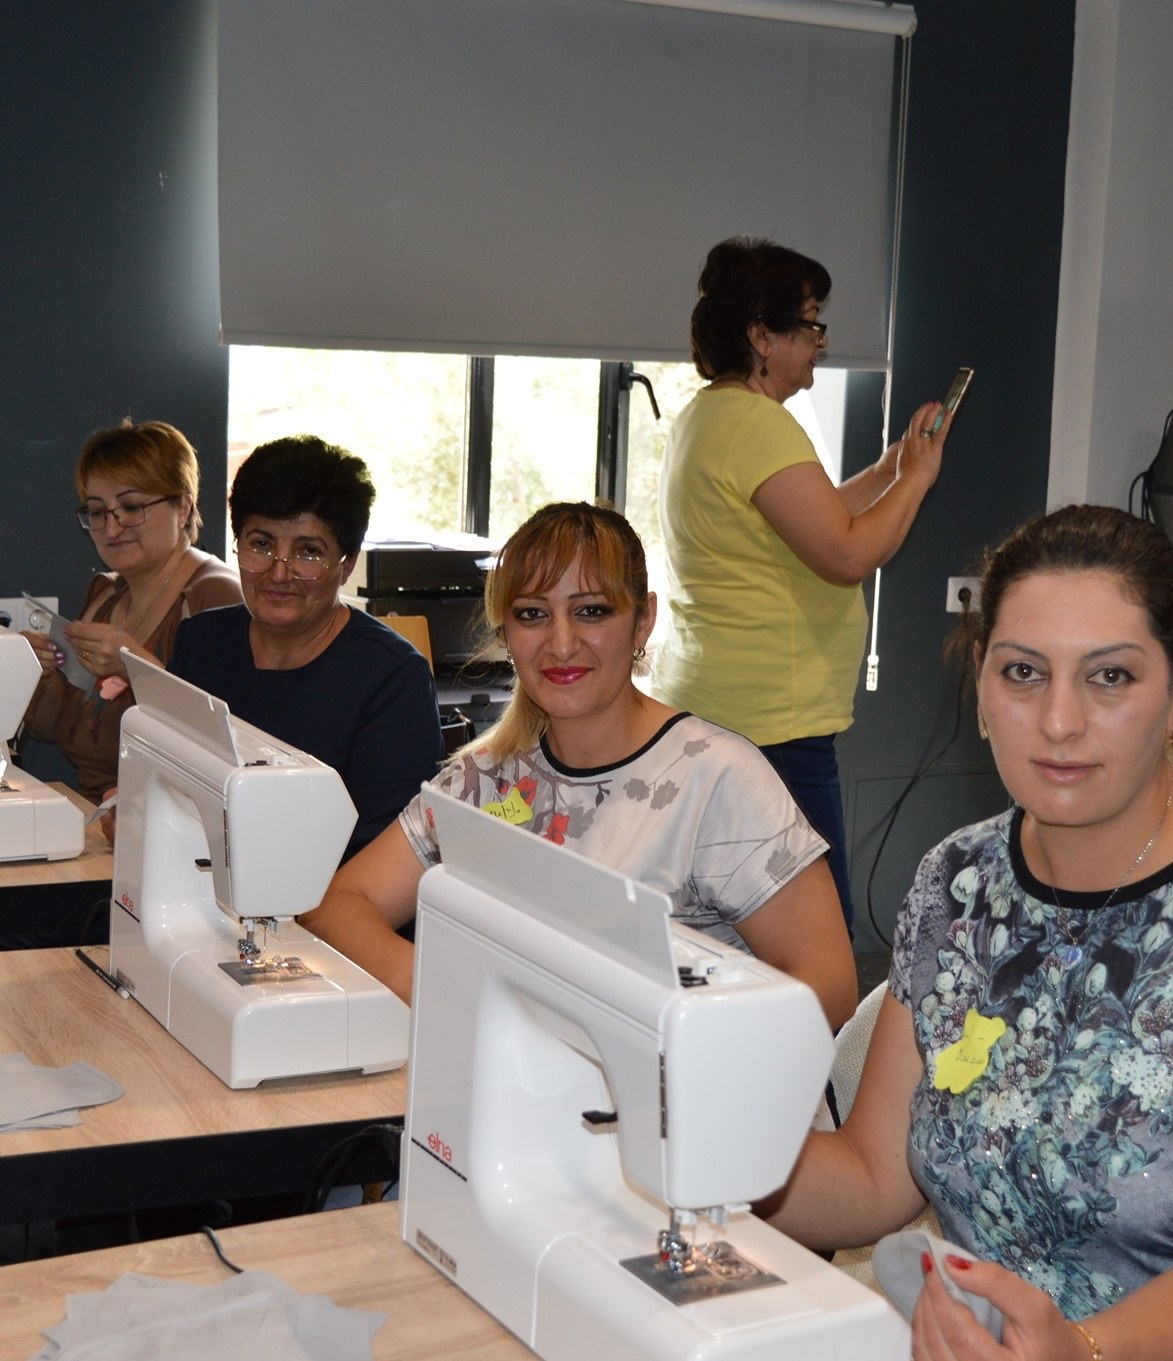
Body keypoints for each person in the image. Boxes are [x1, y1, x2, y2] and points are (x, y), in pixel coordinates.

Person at [766, 505, 1173, 1359]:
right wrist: (693, 1137)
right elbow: (869, 1179)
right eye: (1022, 672)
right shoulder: (956, 882)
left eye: (1109, 677)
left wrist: (1077, 1351)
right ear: (980, 679)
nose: (1058, 721)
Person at [300, 500, 857, 1031]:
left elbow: (829, 990)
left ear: (643, 622)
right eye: (532, 615)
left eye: (592, 611)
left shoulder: (716, 778)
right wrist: (446, 987)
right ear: (507, 633)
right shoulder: (488, 777)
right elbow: (338, 905)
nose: (561, 643)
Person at [650, 236, 956, 938]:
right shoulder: (758, 425)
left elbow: (815, 516)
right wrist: (918, 479)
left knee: (735, 926)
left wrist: (889, 468)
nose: (821, 340)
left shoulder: (712, 415)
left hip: (725, 705)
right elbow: (845, 553)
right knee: (813, 940)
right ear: (761, 333)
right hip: (771, 724)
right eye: (810, 322)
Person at [169, 435, 442, 861]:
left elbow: (384, 855)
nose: (279, 573)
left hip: (325, 908)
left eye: (308, 552)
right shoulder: (201, 643)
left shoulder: (392, 679)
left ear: (347, 564)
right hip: (200, 882)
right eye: (261, 544)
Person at [20, 420, 241, 810]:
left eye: (132, 507)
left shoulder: (214, 593)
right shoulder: (105, 593)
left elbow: (226, 745)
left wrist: (134, 664)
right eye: (97, 512)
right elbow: (51, 728)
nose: (112, 526)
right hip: (95, 817)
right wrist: (39, 670)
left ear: (183, 505)